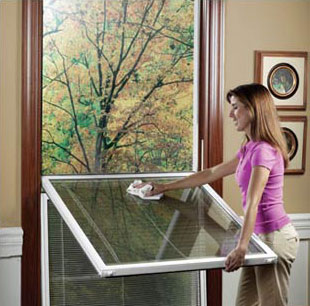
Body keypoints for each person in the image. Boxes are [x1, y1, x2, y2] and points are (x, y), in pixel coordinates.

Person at [136, 83, 299, 306]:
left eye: (236, 107)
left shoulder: (263, 151)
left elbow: (253, 203)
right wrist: (166, 187)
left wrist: (241, 248)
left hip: (275, 238)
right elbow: (212, 173)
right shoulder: (249, 147)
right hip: (257, 238)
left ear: (253, 109)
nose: (231, 114)